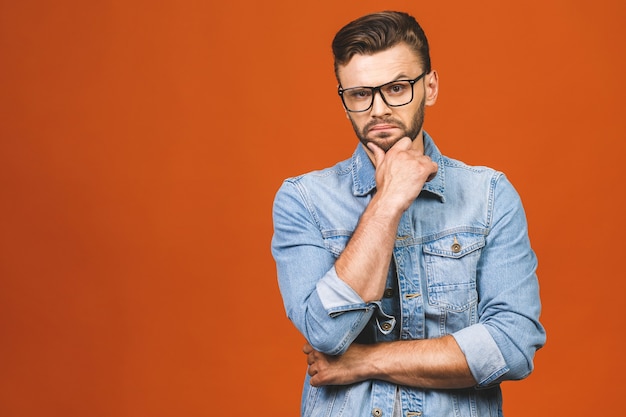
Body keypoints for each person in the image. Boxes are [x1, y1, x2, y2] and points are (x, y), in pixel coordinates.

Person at [271, 10, 545, 417]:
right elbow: (326, 334)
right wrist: (388, 202)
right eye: (360, 94)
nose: (378, 109)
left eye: (397, 88)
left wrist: (364, 361)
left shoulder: (489, 195)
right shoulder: (303, 199)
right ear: (344, 99)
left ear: (430, 87)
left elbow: (513, 346)